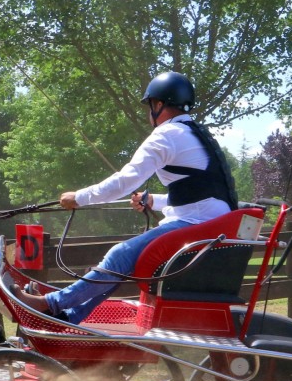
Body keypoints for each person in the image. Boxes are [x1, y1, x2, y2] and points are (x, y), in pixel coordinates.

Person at [14, 71, 240, 324]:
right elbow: (202, 194)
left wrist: (79, 197)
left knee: (120, 255)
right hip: (211, 223)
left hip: (199, 226)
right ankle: (71, 315)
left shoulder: (166, 135)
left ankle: (51, 304)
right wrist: (154, 200)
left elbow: (124, 182)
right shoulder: (195, 133)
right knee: (123, 261)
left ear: (158, 104)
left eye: (150, 106)